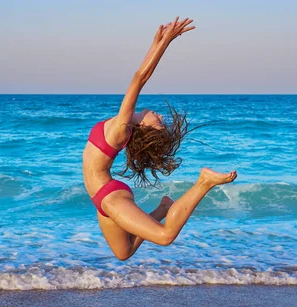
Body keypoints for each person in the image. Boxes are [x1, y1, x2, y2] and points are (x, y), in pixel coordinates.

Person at [82, 17, 237, 260]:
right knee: (124, 252)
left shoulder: (123, 126)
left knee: (165, 236)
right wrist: (156, 41)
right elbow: (139, 76)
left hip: (110, 197)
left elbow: (139, 78)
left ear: (146, 128)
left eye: (159, 124)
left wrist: (166, 42)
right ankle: (164, 207)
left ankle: (204, 182)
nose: (160, 116)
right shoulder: (127, 123)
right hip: (100, 197)